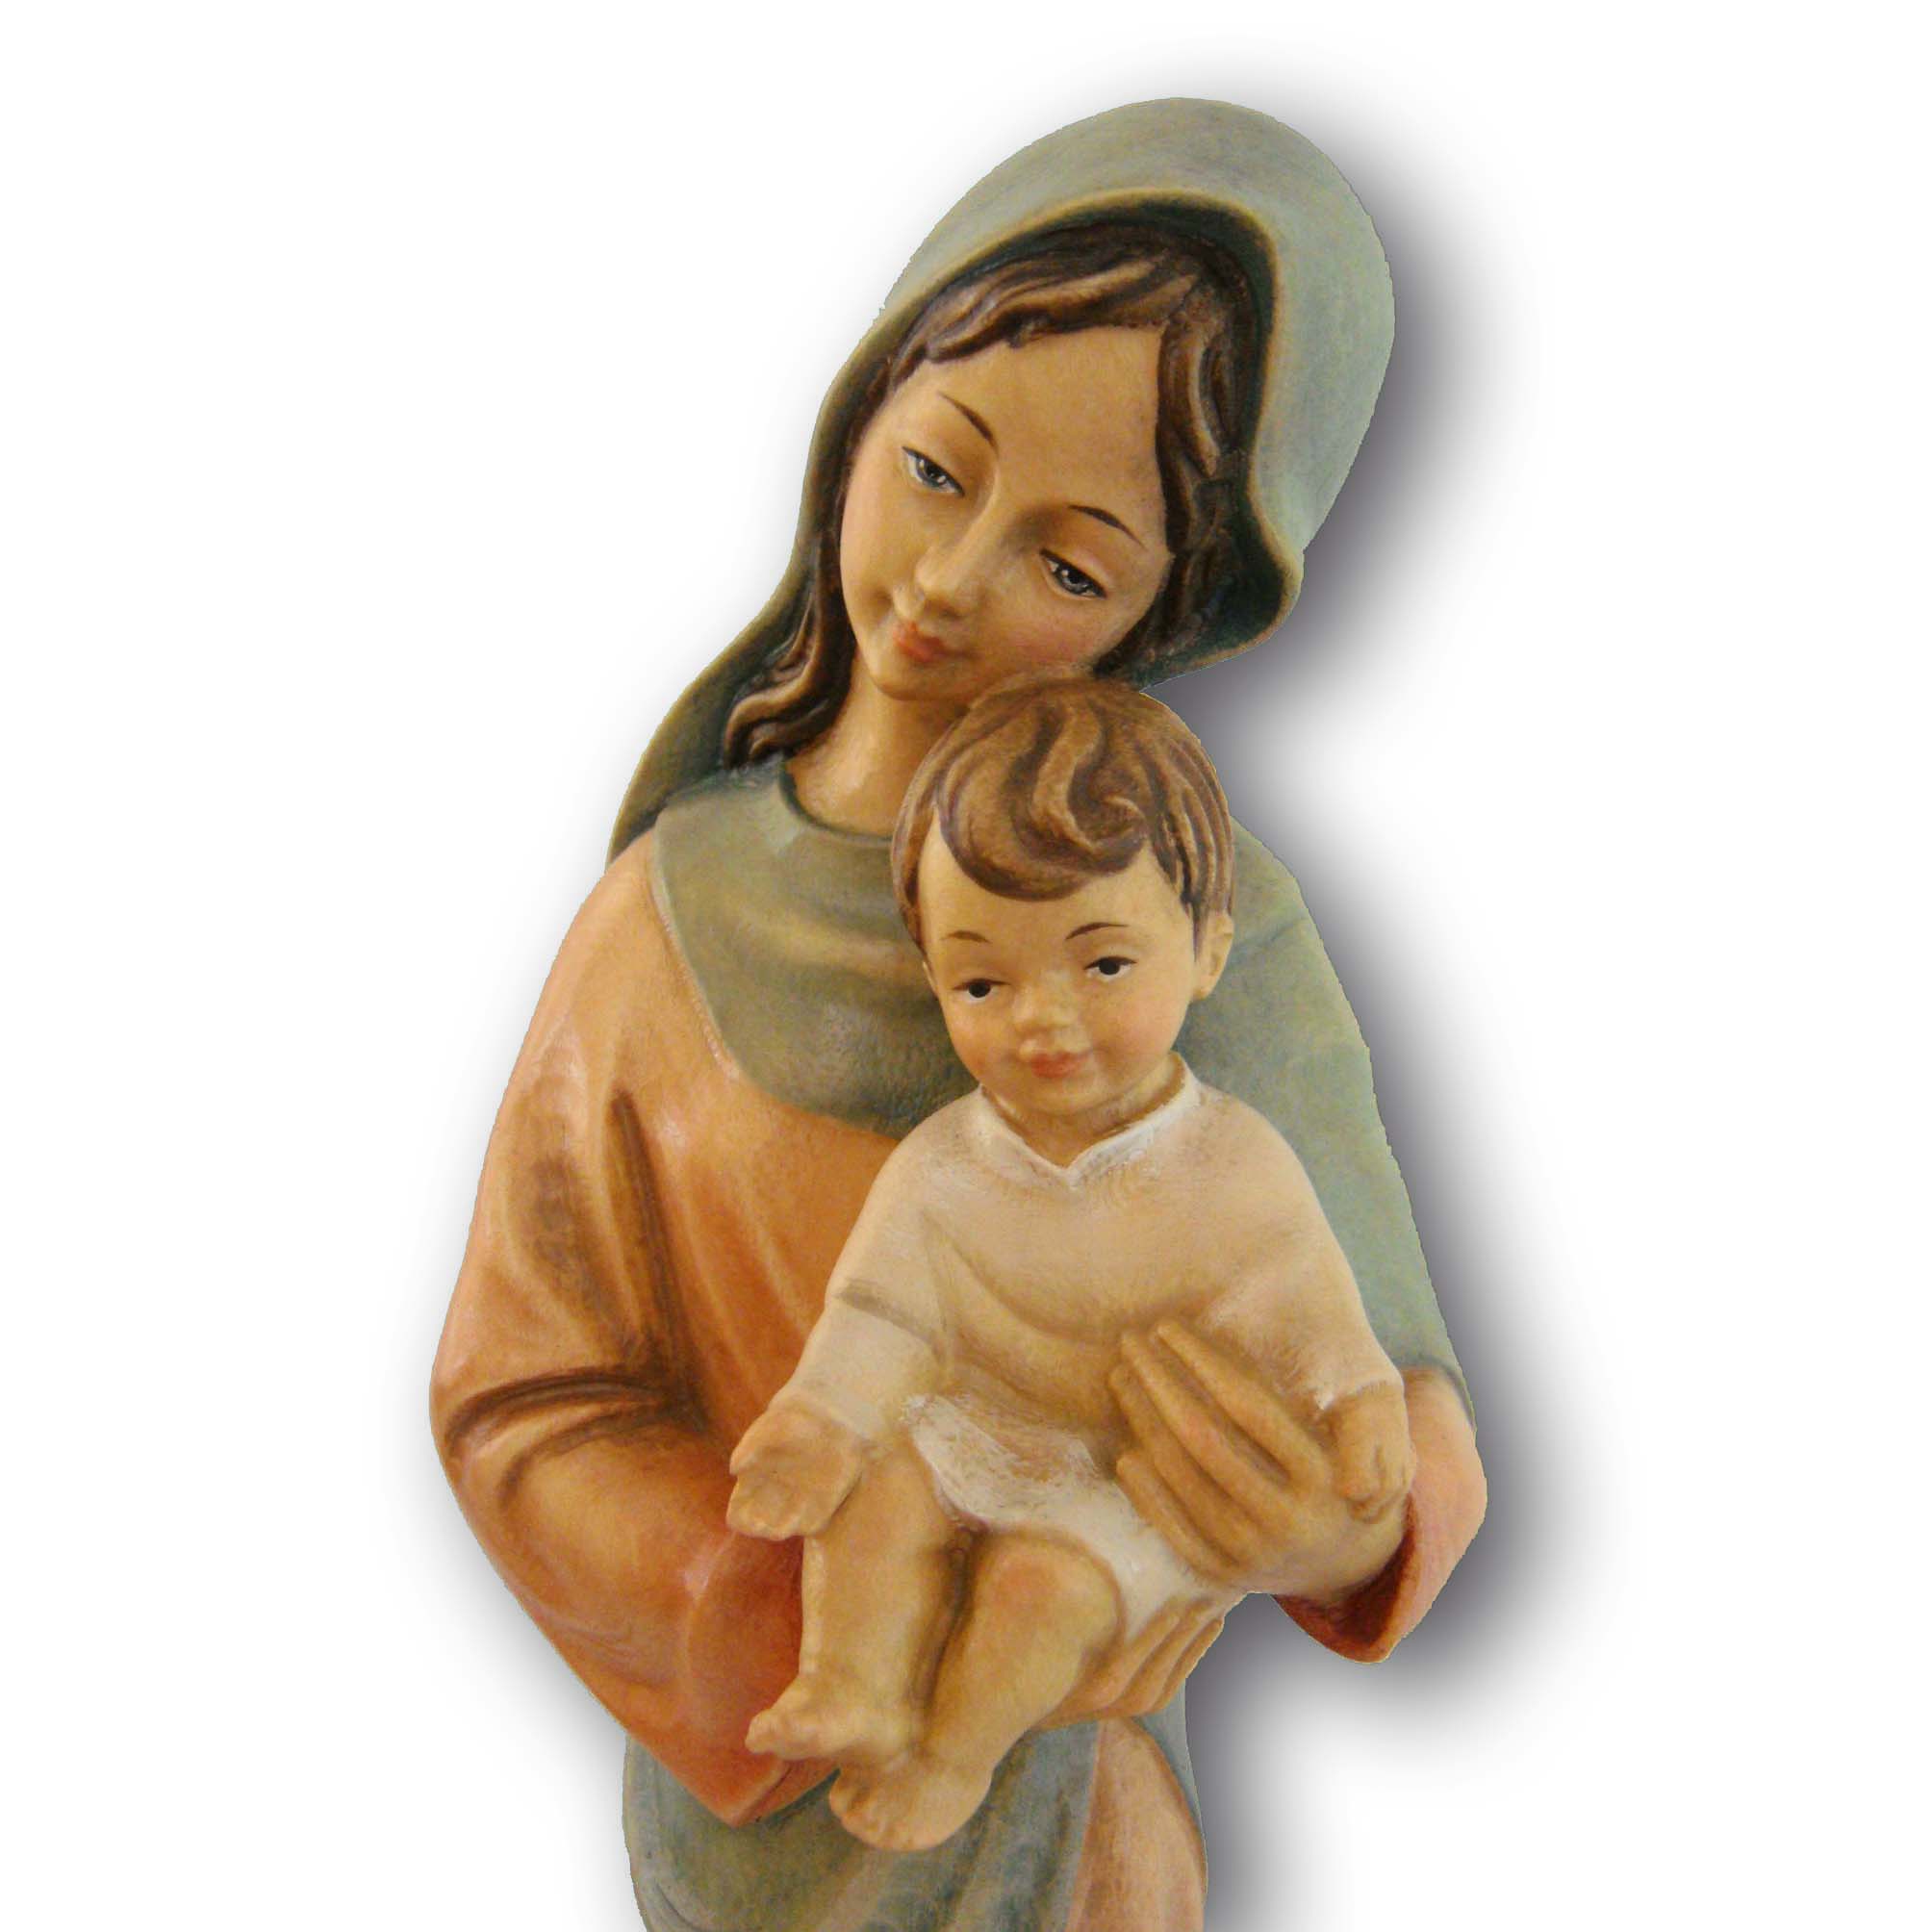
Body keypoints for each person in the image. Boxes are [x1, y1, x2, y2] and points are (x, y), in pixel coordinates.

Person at [432, 99, 1486, 1932]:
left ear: (1164, 611)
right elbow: (520, 1393)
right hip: (771, 1806)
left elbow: (1389, 1387)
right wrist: (828, 1596)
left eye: (1067, 564)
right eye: (935, 469)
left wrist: (1317, 1516)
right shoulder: (665, 920)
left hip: (1081, 1806)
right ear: (862, 413)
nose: (944, 581)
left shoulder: (1201, 922)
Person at [727, 675, 1414, 1855]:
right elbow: (881, 1316)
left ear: (1207, 948)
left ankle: (952, 1757)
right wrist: (821, 1422)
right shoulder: (944, 1165)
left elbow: (1310, 1307)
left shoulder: (1233, 1164)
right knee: (877, 1492)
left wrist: (1362, 1406)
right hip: (976, 1429)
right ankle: (853, 1684)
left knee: (1036, 1593)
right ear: (932, 978)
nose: (1040, 1019)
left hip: (1128, 1486)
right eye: (982, 982)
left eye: (1100, 966)